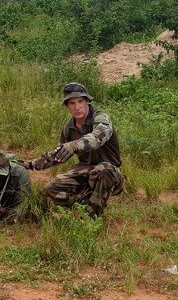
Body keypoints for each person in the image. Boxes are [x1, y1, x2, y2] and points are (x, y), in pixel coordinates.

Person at [27, 82, 124, 217]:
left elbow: (98, 137)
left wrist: (74, 145)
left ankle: (92, 217)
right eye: (72, 103)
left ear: (87, 102)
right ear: (67, 106)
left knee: (104, 169)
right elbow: (59, 155)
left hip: (110, 174)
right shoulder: (69, 127)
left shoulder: (100, 118)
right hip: (85, 171)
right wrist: (30, 164)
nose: (77, 107)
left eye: (80, 101)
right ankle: (82, 202)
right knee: (50, 190)